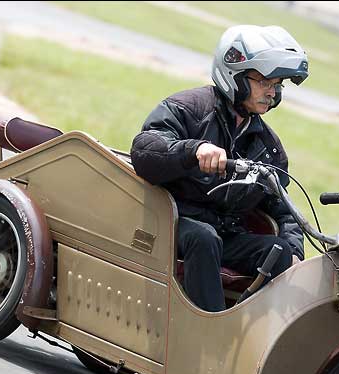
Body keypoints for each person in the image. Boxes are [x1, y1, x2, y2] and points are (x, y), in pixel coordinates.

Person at [130, 25, 310, 312]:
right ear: (235, 75)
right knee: (204, 238)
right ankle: (207, 332)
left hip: (224, 232)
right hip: (169, 221)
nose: (271, 92)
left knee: (278, 251)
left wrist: (295, 254)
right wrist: (193, 150)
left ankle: (251, 331)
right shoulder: (188, 108)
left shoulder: (267, 145)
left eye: (277, 84)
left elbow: (280, 206)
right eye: (264, 81)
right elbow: (145, 148)